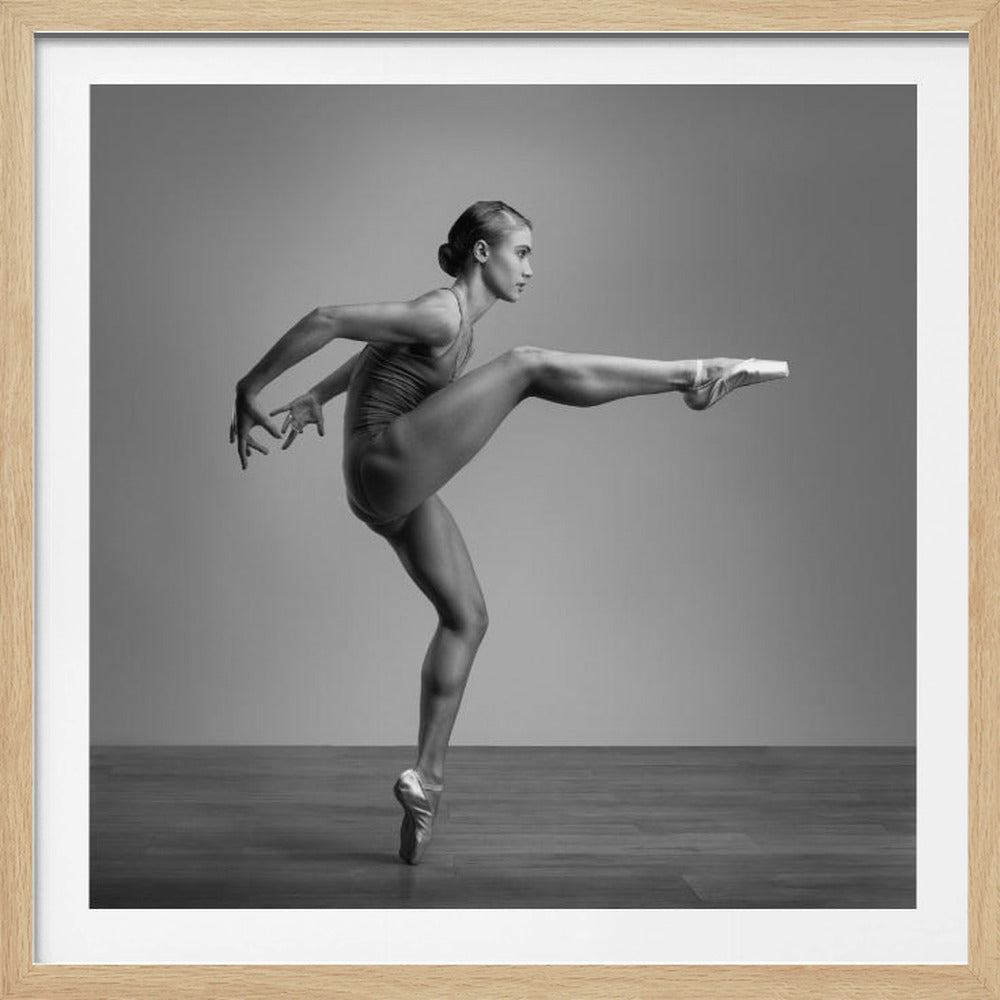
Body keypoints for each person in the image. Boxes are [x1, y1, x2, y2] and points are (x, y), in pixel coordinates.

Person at [229, 200, 789, 864]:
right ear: (484, 254)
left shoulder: (453, 325)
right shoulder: (442, 310)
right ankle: (693, 376)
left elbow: (374, 352)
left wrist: (319, 396)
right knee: (526, 366)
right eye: (522, 252)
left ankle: (425, 784)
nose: (531, 268)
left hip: (389, 493)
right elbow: (327, 319)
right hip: (385, 462)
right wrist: (251, 384)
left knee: (467, 616)